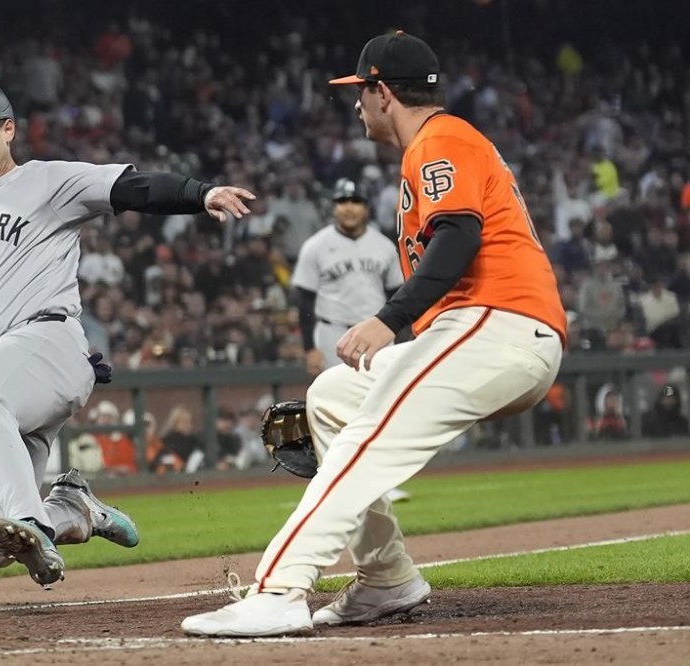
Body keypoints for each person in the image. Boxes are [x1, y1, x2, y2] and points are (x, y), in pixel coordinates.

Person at [182, 30, 565, 637]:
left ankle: (279, 587)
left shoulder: (441, 139)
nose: (356, 105)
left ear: (383, 92)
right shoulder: (436, 146)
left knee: (371, 434)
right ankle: (387, 577)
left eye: (360, 93)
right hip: (487, 333)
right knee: (333, 397)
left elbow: (459, 238)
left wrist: (388, 320)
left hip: (497, 323)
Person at [0, 79, 255, 587]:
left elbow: (132, 188)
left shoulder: (48, 181)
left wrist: (200, 193)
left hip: (46, 345)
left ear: (8, 130)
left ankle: (32, 521)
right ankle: (72, 511)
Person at [293, 179, 410, 504]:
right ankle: (336, 480)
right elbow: (303, 300)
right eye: (342, 200)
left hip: (377, 334)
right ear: (334, 206)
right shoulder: (316, 246)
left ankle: (382, 483)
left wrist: (401, 342)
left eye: (355, 200)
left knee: (383, 408)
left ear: (366, 207)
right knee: (336, 409)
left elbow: (396, 296)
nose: (349, 207)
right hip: (333, 334)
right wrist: (309, 347)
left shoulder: (384, 245)